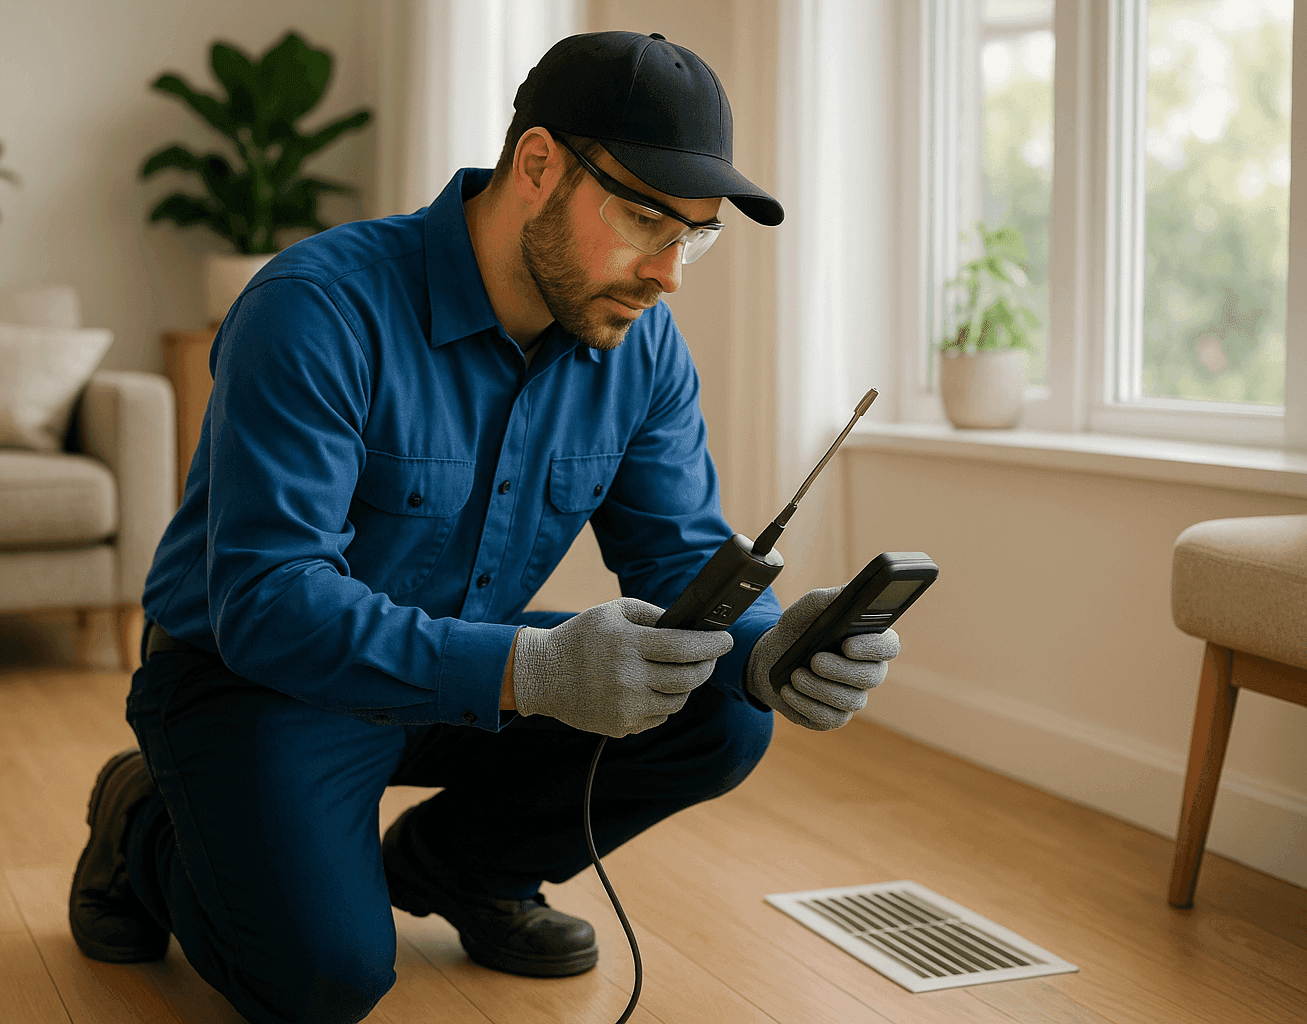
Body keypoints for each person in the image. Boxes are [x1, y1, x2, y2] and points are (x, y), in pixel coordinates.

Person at [68, 29, 900, 1024]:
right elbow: (268, 598)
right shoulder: (315, 308)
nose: (669, 271)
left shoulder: (641, 347)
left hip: (465, 669)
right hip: (255, 675)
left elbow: (676, 552)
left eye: (696, 235)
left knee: (723, 709)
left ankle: (463, 871)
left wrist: (772, 653)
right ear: (538, 165)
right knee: (321, 980)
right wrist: (535, 670)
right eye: (644, 218)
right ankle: (144, 820)